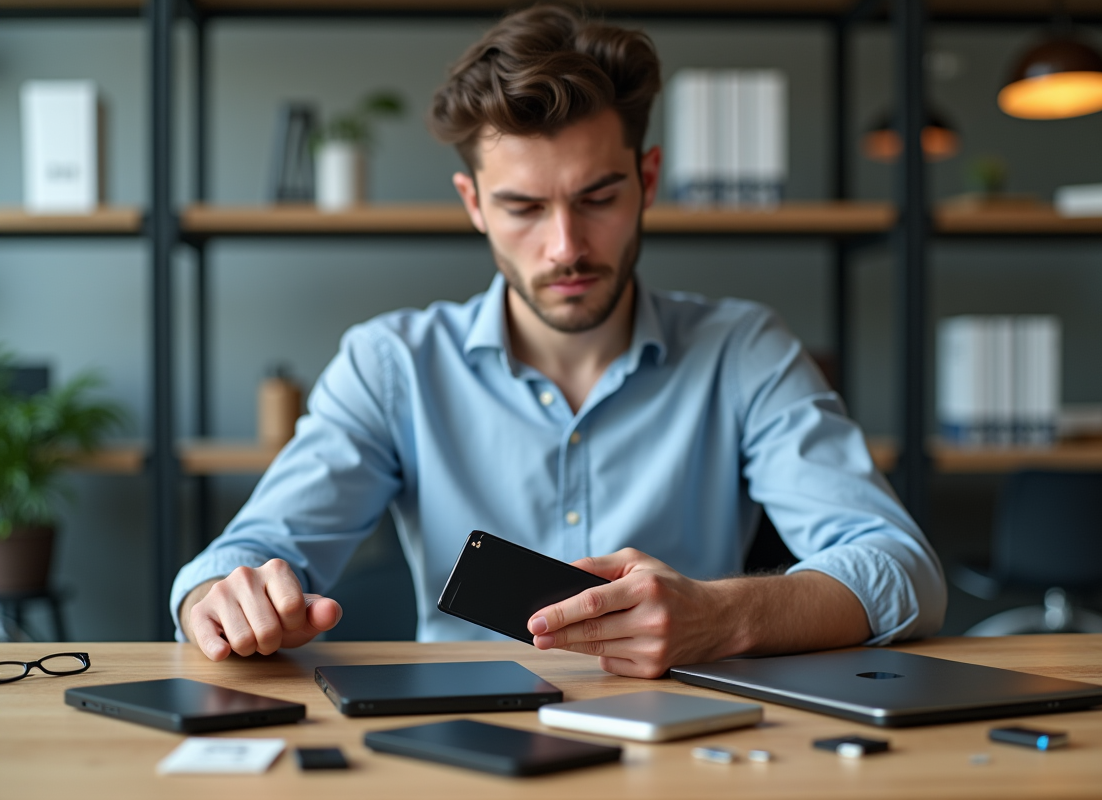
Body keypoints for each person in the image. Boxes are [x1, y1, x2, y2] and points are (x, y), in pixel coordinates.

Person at [172, 5, 945, 679]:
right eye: (523, 207)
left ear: (648, 179)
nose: (565, 246)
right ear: (473, 203)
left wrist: (721, 616)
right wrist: (224, 597)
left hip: (691, 753)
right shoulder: (391, 364)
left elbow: (902, 570)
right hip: (460, 744)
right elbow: (258, 546)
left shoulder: (745, 349)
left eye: (598, 197)